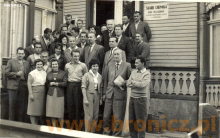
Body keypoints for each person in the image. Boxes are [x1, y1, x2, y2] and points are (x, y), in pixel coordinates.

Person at [102, 49, 131, 136]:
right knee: (106, 117)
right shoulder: (109, 65)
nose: (116, 56)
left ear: (122, 55)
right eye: (114, 55)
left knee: (118, 119)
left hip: (120, 95)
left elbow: (130, 80)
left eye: (118, 54)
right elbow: (105, 80)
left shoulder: (127, 65)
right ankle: (106, 134)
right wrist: (104, 93)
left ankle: (116, 135)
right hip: (109, 95)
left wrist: (123, 82)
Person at [127, 56, 151, 138]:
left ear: (143, 63)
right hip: (132, 99)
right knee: (131, 121)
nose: (135, 64)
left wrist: (133, 82)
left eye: (137, 63)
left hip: (141, 100)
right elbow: (127, 84)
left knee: (140, 123)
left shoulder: (147, 74)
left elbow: (142, 85)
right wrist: (136, 83)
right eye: (135, 62)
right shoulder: (133, 72)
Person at [5, 47, 30, 122]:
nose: (20, 55)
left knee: (21, 106)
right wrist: (16, 74)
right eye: (19, 53)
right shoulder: (11, 62)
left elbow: (28, 74)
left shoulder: (26, 63)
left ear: (24, 54)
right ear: (16, 54)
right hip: (13, 86)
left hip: (23, 86)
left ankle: (20, 125)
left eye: (22, 53)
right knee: (12, 106)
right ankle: (11, 125)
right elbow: (6, 73)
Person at [65, 49, 88, 129]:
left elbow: (86, 77)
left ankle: (78, 126)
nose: (76, 57)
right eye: (75, 56)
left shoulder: (83, 65)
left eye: (78, 56)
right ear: (71, 56)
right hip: (70, 86)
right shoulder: (67, 65)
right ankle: (71, 125)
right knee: (70, 105)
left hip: (79, 86)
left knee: (78, 106)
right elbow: (66, 75)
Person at [81, 59, 103, 132]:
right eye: (93, 66)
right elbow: (83, 87)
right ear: (90, 67)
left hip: (97, 95)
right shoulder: (86, 75)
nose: (95, 68)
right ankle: (87, 133)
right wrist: (85, 98)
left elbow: (101, 88)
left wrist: (100, 99)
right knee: (89, 116)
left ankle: (92, 132)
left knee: (95, 116)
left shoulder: (100, 76)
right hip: (88, 95)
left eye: (96, 66)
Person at [46, 58, 67, 124]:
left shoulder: (63, 73)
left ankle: (61, 127)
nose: (54, 65)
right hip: (50, 94)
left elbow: (65, 83)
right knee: (52, 111)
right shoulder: (49, 74)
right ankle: (53, 127)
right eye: (53, 64)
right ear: (51, 65)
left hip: (60, 94)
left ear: (58, 65)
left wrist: (56, 84)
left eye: (56, 64)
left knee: (59, 111)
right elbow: (47, 84)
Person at [27, 59, 47, 124]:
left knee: (39, 110)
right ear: (35, 65)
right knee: (33, 110)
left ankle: (38, 125)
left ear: (43, 65)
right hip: (35, 92)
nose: (39, 65)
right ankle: (33, 125)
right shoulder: (32, 73)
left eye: (41, 64)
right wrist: (31, 94)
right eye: (38, 64)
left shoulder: (44, 73)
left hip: (42, 93)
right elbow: (29, 83)